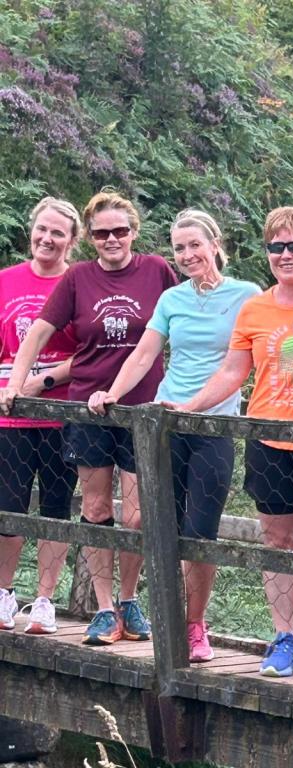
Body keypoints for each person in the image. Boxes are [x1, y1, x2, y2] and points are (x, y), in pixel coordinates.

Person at [163, 206, 293, 678]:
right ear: (267, 252)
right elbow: (233, 372)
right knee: (278, 539)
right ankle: (283, 637)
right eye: (277, 246)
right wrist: (190, 407)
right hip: (267, 438)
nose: (286, 255)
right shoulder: (255, 308)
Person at [0, 190, 178, 645]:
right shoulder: (79, 277)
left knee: (137, 515)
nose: (111, 239)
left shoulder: (157, 270)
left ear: (134, 231)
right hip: (88, 405)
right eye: (101, 233)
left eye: (119, 231)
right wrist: (17, 383)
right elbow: (39, 331)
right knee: (95, 508)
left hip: (142, 407)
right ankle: (102, 608)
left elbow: (188, 317)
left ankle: (129, 600)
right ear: (91, 238)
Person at [86, 209, 260, 662]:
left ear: (215, 244)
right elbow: (145, 355)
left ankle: (194, 626)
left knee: (201, 532)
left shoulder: (246, 295)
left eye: (195, 245)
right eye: (179, 248)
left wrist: (195, 406)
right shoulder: (172, 299)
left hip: (213, 426)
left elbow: (245, 364)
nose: (187, 254)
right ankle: (165, 621)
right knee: (161, 524)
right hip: (165, 424)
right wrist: (113, 393)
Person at [0, 197, 81, 635]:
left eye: (58, 233)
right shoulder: (6, 281)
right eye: (42, 229)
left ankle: (45, 601)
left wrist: (43, 380)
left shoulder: (79, 283)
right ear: (31, 230)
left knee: (55, 507)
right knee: (7, 507)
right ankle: (4, 593)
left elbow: (90, 351)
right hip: (10, 414)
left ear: (72, 240)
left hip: (61, 413)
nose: (47, 238)